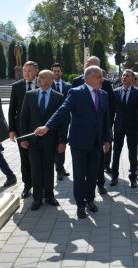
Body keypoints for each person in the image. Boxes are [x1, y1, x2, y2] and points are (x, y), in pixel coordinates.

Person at [35, 66, 111, 219]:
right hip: (79, 143)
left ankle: (90, 200)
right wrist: (47, 126)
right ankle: (80, 204)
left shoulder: (103, 94)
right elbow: (62, 110)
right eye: (99, 77)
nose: (101, 80)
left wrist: (107, 139)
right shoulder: (76, 92)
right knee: (80, 174)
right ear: (88, 77)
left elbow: (105, 118)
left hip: (96, 142)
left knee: (92, 174)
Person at [20, 70, 67, 211]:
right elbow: (24, 118)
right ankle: (37, 198)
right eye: (38, 76)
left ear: (50, 80)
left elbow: (63, 121)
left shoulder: (59, 97)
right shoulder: (29, 96)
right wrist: (24, 138)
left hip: (51, 140)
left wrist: (62, 141)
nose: (37, 79)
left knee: (48, 168)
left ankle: (50, 196)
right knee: (35, 169)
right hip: (33, 141)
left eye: (41, 77)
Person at [71, 56, 116, 195]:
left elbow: (110, 107)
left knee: (97, 164)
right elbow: (67, 107)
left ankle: (99, 185)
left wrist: (107, 131)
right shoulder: (77, 83)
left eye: (91, 63)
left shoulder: (105, 86)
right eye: (87, 62)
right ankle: (82, 199)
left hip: (98, 133)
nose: (87, 64)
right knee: (81, 170)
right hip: (81, 134)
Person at [110, 69, 138, 188]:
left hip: (132, 127)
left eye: (127, 75)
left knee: (133, 153)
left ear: (132, 79)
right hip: (119, 126)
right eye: (123, 75)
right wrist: (110, 127)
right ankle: (114, 176)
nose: (124, 77)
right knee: (116, 152)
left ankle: (133, 177)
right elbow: (111, 111)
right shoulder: (115, 92)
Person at [9, 61, 39, 199]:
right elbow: (12, 109)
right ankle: (27, 185)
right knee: (25, 158)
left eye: (29, 70)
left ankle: (41, 186)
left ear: (36, 71)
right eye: (24, 71)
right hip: (22, 129)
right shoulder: (17, 86)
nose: (26, 73)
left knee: (39, 158)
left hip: (39, 129)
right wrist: (12, 130)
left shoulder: (42, 84)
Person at [50, 63, 71, 181]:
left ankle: (61, 167)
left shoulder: (68, 86)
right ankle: (58, 170)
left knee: (63, 143)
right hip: (52, 120)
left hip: (65, 120)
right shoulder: (49, 86)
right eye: (55, 71)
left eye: (58, 71)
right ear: (52, 71)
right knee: (54, 144)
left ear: (61, 72)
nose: (56, 73)